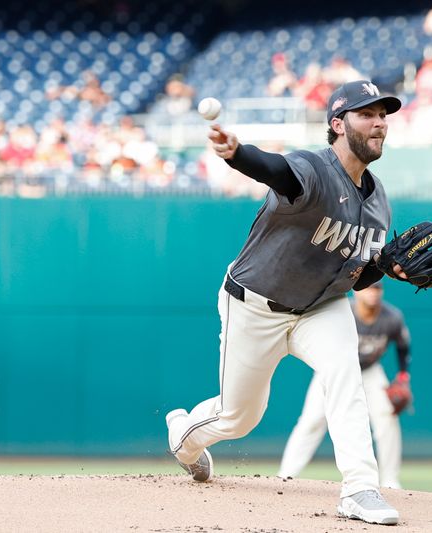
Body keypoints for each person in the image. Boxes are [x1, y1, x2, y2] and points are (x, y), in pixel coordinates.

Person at [165, 80, 406, 526]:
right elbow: (275, 170)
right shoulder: (313, 169)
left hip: (322, 308)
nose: (379, 123)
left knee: (345, 375)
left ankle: (359, 488)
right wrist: (239, 153)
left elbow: (358, 277)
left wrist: (388, 268)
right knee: (237, 418)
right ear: (338, 124)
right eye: (367, 114)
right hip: (255, 305)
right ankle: (184, 438)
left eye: (383, 115)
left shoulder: (379, 201)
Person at [278, 281, 411, 489]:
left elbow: (403, 347)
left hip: (370, 372)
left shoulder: (392, 317)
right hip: (334, 369)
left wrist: (403, 377)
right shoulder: (342, 312)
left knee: (387, 420)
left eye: (377, 288)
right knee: (311, 421)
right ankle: (286, 475)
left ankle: (390, 480)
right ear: (356, 292)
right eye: (369, 288)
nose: (373, 293)